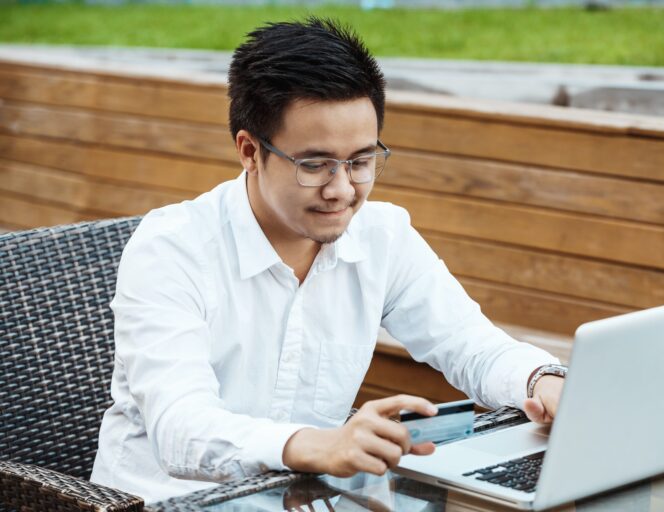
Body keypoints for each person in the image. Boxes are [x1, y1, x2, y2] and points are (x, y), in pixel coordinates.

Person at [90, 17, 565, 503]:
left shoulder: (382, 237)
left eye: (360, 162)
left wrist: (542, 379)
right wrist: (315, 443)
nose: (341, 191)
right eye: (313, 165)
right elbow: (181, 428)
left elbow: (473, 346)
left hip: (308, 496)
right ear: (250, 150)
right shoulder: (173, 247)